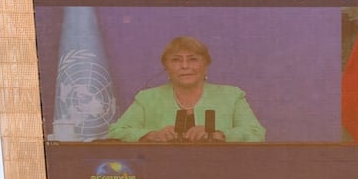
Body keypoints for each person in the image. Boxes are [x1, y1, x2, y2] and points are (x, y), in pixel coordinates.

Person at [106, 36, 266, 143]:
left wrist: (219, 134)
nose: (184, 66)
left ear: (206, 65)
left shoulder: (231, 96)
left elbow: (256, 133)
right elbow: (116, 132)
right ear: (166, 67)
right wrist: (152, 134)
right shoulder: (147, 98)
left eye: (193, 59)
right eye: (176, 60)